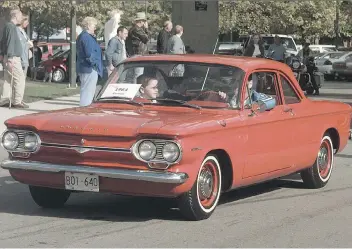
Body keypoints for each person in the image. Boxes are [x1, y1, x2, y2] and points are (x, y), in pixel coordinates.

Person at [0, 8, 28, 108]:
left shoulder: (7, 26)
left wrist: (3, 54)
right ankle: (17, 101)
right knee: (19, 78)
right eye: (20, 16)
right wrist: (11, 57)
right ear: (15, 16)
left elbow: (3, 41)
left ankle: (4, 99)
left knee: (8, 79)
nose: (21, 18)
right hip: (13, 58)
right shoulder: (11, 27)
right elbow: (10, 42)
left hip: (7, 56)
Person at [76, 16, 103, 107]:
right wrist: (95, 65)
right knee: (88, 92)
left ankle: (84, 109)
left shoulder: (83, 36)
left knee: (86, 91)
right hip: (89, 68)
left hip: (86, 67)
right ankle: (85, 110)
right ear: (88, 26)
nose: (95, 28)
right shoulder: (86, 37)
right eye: (93, 25)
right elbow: (89, 54)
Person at [17, 14, 32, 78]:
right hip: (20, 59)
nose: (28, 23)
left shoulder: (24, 32)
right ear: (22, 21)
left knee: (23, 80)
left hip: (25, 59)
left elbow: (30, 43)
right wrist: (27, 44)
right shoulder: (17, 31)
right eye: (27, 21)